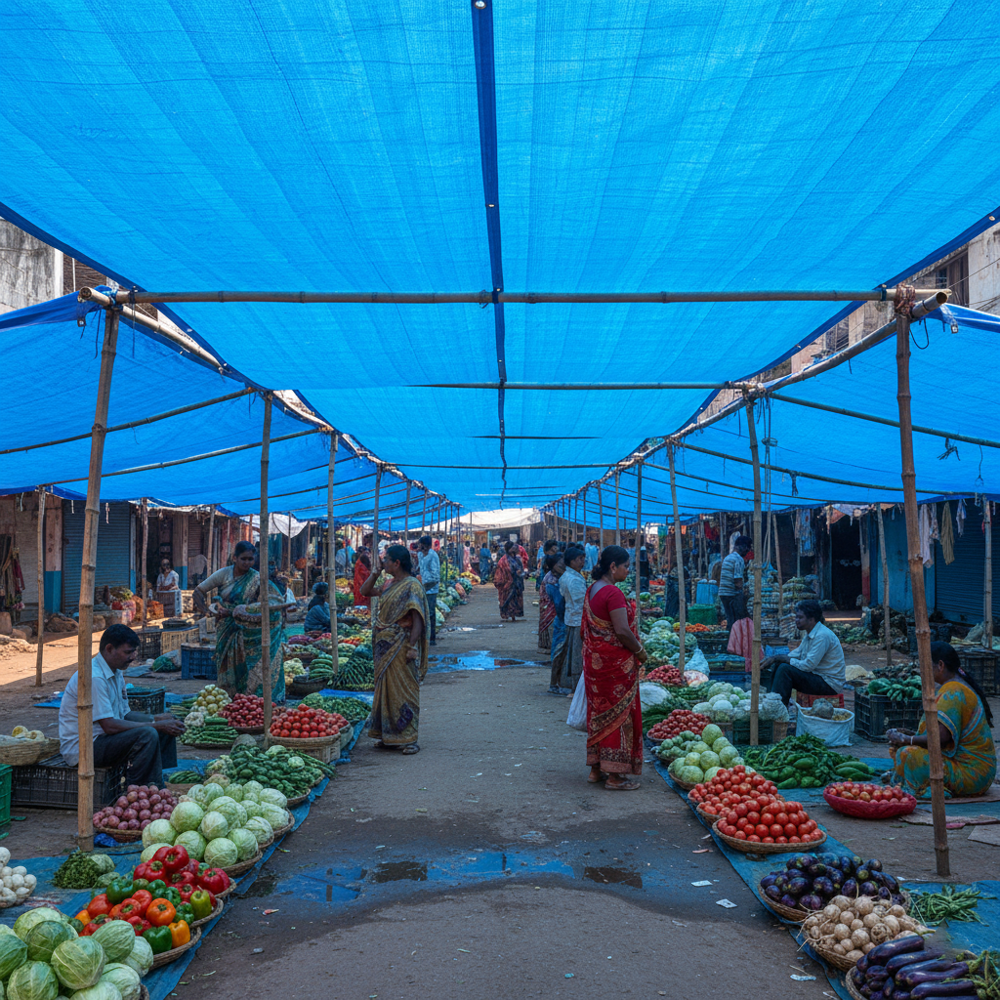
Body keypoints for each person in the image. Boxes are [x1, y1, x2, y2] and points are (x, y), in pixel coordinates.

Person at [59, 624, 185, 787]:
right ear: (109, 649)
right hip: (84, 748)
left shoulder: (116, 671)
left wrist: (157, 718)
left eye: (134, 651)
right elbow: (109, 726)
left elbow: (124, 714)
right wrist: (156, 725)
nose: (133, 656)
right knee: (148, 734)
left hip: (104, 739)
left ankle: (155, 781)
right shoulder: (95, 677)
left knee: (166, 726)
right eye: (128, 652)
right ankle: (138, 790)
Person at [886, 642, 996, 798]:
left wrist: (908, 739)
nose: (922, 672)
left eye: (925, 666)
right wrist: (909, 736)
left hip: (972, 773)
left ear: (940, 665)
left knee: (908, 754)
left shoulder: (954, 691)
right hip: (976, 770)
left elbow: (941, 739)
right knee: (900, 752)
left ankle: (918, 789)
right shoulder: (952, 687)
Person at [583, 546, 647, 790]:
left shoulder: (593, 590)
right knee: (619, 717)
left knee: (600, 715)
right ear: (613, 567)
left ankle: (596, 769)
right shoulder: (613, 594)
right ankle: (615, 776)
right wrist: (640, 651)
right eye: (626, 566)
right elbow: (622, 631)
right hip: (615, 667)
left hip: (596, 665)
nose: (628, 571)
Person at [193, 540, 290, 700]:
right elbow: (198, 592)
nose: (247, 563)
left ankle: (246, 700)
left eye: (250, 559)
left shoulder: (257, 578)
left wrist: (246, 611)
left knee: (246, 666)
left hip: (248, 632)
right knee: (226, 664)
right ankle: (227, 698)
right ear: (234, 558)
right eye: (243, 559)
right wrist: (207, 612)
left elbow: (272, 602)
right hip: (226, 629)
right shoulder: (224, 574)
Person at [360, 544, 428, 754]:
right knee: (385, 690)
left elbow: (418, 619)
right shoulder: (388, 583)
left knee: (403, 690)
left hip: (401, 645)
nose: (384, 563)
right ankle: (387, 735)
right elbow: (365, 591)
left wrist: (412, 647)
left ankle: (408, 738)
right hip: (383, 646)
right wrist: (375, 573)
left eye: (386, 560)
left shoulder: (411, 586)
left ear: (397, 563)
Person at [761, 599, 846, 706]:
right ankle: (772, 700)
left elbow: (808, 666)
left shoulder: (822, 636)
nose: (796, 620)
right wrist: (773, 659)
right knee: (779, 664)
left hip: (829, 684)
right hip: (817, 676)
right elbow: (797, 654)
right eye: (796, 617)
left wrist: (781, 658)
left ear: (811, 619)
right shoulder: (809, 634)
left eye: (800, 618)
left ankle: (777, 707)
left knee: (785, 669)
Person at [560, 545, 588, 688]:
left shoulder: (568, 576)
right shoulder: (574, 579)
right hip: (577, 619)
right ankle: (575, 685)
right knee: (577, 653)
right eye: (580, 559)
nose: (582, 562)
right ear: (572, 561)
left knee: (573, 651)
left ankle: (572, 683)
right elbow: (582, 601)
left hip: (572, 617)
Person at [543, 554, 571, 695]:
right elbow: (560, 605)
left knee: (559, 651)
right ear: (553, 566)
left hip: (558, 619)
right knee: (559, 652)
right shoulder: (553, 582)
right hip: (560, 619)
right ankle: (554, 683)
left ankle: (557, 682)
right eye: (560, 565)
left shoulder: (554, 578)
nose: (563, 568)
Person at [719, 535, 752, 627]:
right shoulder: (738, 559)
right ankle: (735, 639)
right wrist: (744, 593)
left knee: (730, 619)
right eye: (748, 548)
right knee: (737, 621)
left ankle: (730, 639)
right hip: (731, 594)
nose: (748, 551)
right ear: (743, 547)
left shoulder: (728, 558)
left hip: (723, 593)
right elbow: (737, 580)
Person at [416, 536, 441, 646]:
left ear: (424, 544)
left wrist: (428, 585)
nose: (419, 545)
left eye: (420, 543)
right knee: (422, 612)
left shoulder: (433, 556)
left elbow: (435, 575)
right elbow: (420, 568)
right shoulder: (420, 555)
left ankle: (432, 638)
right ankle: (423, 635)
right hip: (422, 586)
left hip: (431, 588)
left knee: (430, 613)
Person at [494, 540, 525, 621]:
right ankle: (508, 613)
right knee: (508, 598)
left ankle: (514, 614)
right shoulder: (503, 560)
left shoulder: (517, 558)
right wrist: (512, 572)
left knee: (515, 599)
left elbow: (521, 568)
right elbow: (502, 570)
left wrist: (520, 573)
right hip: (507, 582)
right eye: (512, 547)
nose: (514, 548)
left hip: (517, 582)